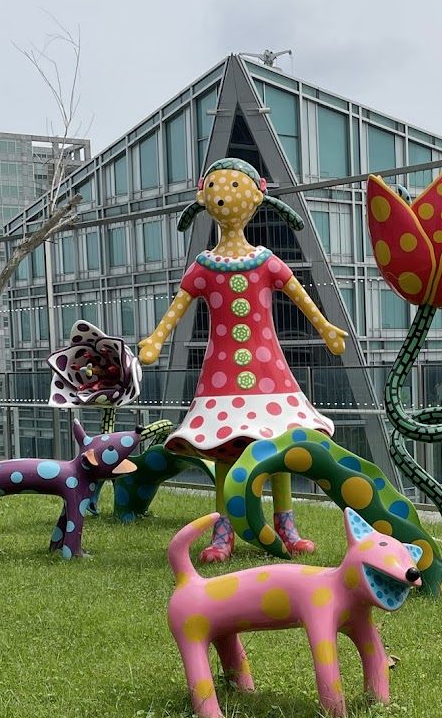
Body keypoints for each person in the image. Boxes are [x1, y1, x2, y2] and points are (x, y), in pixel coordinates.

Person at [139, 157, 347, 560]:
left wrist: (324, 327)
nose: (223, 195)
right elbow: (177, 307)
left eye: (234, 187)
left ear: (255, 196)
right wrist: (156, 340)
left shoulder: (266, 261)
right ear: (204, 195)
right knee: (223, 447)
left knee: (278, 443)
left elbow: (299, 295)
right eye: (217, 186)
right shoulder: (204, 266)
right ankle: (225, 530)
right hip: (222, 375)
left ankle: (286, 526)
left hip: (269, 369)